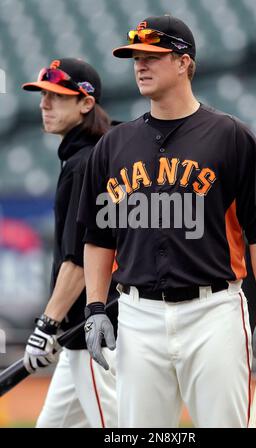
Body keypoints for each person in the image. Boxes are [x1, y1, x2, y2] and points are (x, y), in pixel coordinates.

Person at [78, 16, 256, 428]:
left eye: (152, 56)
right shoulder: (112, 146)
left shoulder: (231, 136)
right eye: (136, 56)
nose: (140, 64)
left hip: (213, 314)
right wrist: (95, 307)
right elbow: (98, 236)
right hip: (137, 316)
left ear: (183, 62)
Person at [22, 58, 118, 428]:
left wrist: (46, 325)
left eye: (57, 96)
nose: (45, 104)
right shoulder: (91, 155)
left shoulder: (84, 163)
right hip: (83, 333)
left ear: (85, 103)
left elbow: (78, 260)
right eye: (43, 95)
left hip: (92, 331)